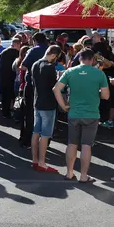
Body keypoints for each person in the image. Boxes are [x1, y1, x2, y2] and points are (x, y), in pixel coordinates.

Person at [53, 48, 109, 183]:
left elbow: (56, 89)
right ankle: (84, 176)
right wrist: (97, 91)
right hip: (91, 114)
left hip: (74, 113)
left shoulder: (70, 72)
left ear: (79, 59)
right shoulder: (99, 74)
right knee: (86, 145)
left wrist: (63, 105)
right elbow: (106, 96)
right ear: (92, 60)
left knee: (72, 143)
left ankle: (69, 173)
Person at [31, 45, 62, 173]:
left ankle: (35, 160)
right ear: (54, 55)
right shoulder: (50, 67)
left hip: (37, 101)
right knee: (45, 134)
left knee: (36, 132)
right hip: (48, 104)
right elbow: (55, 87)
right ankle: (42, 163)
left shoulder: (35, 64)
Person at [20, 32, 48, 148]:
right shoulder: (50, 49)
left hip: (32, 85)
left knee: (30, 113)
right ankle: (45, 141)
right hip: (47, 86)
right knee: (46, 115)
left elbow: (23, 66)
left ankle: (28, 140)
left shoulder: (33, 50)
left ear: (35, 40)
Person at [0, 38, 21, 118]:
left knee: (4, 96)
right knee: (13, 96)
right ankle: (13, 112)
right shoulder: (17, 53)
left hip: (3, 77)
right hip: (13, 77)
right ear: (18, 44)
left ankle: (5, 112)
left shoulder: (3, 52)